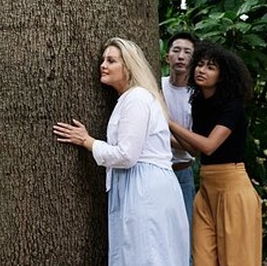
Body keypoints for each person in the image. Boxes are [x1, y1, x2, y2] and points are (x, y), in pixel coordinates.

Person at [53, 37, 189, 266]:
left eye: (111, 61)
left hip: (144, 187)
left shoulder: (136, 98)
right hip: (143, 184)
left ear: (128, 67)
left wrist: (88, 141)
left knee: (147, 255)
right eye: (103, 60)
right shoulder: (132, 98)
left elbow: (126, 155)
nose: (103, 65)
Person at [168, 42, 262, 266]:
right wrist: (161, 132)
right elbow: (194, 149)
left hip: (233, 189)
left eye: (211, 67)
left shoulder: (233, 105)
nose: (202, 70)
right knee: (202, 259)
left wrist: (168, 122)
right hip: (207, 187)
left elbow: (209, 145)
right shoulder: (199, 102)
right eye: (200, 65)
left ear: (222, 75)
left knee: (237, 260)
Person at [161, 32, 197, 245]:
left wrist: (160, 134)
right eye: (176, 50)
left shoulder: (196, 96)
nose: (181, 56)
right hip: (156, 170)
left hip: (182, 172)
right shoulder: (156, 86)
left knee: (184, 237)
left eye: (187, 52)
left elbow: (193, 147)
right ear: (167, 57)